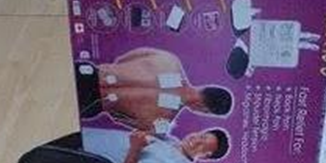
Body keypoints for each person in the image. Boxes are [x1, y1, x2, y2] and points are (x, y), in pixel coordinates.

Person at [75, 48, 233, 133]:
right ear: (204, 110)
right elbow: (118, 118)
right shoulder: (162, 123)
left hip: (89, 73)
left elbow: (124, 59)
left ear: (205, 87)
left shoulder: (170, 61)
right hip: (92, 103)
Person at [82, 126, 230, 163]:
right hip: (91, 137)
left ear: (204, 157)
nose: (196, 140)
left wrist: (135, 148)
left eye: (202, 145)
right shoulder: (172, 141)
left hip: (86, 155)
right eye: (202, 136)